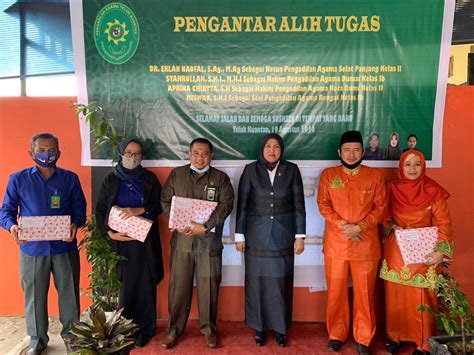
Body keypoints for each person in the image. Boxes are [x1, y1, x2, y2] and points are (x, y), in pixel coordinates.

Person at [0, 133, 86, 355]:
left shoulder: (70, 179)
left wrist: (76, 224)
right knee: (34, 295)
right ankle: (37, 340)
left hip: (64, 247)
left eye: (51, 150)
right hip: (32, 249)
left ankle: (72, 338)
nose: (46, 154)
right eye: (40, 150)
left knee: (69, 295)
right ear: (31, 153)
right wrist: (12, 227)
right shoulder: (18, 179)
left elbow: (79, 209)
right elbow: (6, 211)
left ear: (59, 153)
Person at [160, 137, 234, 349]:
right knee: (178, 288)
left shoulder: (220, 179)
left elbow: (226, 205)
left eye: (205, 154)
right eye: (196, 153)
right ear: (189, 154)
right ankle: (173, 330)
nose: (200, 157)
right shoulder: (178, 174)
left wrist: (207, 226)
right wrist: (176, 221)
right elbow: (165, 200)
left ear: (211, 156)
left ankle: (209, 330)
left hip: (208, 243)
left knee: (208, 289)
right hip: (182, 242)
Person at [317, 130, 386, 355]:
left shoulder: (374, 176)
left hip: (365, 245)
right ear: (339, 152)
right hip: (336, 244)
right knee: (336, 292)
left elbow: (380, 207)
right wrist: (345, 227)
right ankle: (336, 334)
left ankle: (364, 337)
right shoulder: (329, 175)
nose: (351, 153)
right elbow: (323, 205)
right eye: (347, 150)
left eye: (356, 149)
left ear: (363, 151)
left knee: (364, 294)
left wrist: (360, 227)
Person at [235, 133, 305, 347]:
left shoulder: (292, 170)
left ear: (281, 150)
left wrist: (299, 236)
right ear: (262, 149)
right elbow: (243, 205)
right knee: (257, 284)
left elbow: (298, 206)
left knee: (280, 285)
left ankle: (281, 329)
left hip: (283, 236)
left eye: (276, 146)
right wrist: (240, 235)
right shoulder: (250, 170)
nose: (272, 150)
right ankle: (260, 327)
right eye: (268, 146)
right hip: (256, 237)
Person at [380, 150, 453, 354]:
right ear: (401, 167)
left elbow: (444, 223)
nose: (412, 169)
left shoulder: (433, 190)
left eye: (417, 164)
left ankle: (424, 342)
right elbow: (383, 216)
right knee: (396, 295)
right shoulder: (391, 189)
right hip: (397, 250)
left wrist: (440, 251)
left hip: (424, 252)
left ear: (423, 166)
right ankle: (395, 336)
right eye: (408, 164)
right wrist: (393, 226)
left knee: (421, 297)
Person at [95, 138, 164, 348]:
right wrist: (109, 234)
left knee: (145, 286)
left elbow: (159, 205)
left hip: (144, 243)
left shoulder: (149, 178)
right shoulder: (111, 179)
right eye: (129, 152)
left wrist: (139, 210)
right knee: (126, 288)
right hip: (121, 243)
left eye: (137, 153)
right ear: (120, 153)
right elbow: (100, 210)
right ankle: (125, 329)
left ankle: (145, 329)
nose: (132, 157)